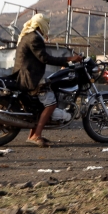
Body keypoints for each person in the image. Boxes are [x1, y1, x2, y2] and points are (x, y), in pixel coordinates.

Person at [11, 13, 82, 148]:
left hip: (26, 74)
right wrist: (69, 59)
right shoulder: (34, 38)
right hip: (30, 77)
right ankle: (36, 135)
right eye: (46, 24)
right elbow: (44, 58)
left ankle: (33, 135)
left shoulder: (28, 36)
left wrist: (65, 64)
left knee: (41, 105)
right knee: (51, 104)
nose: (47, 27)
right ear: (41, 25)